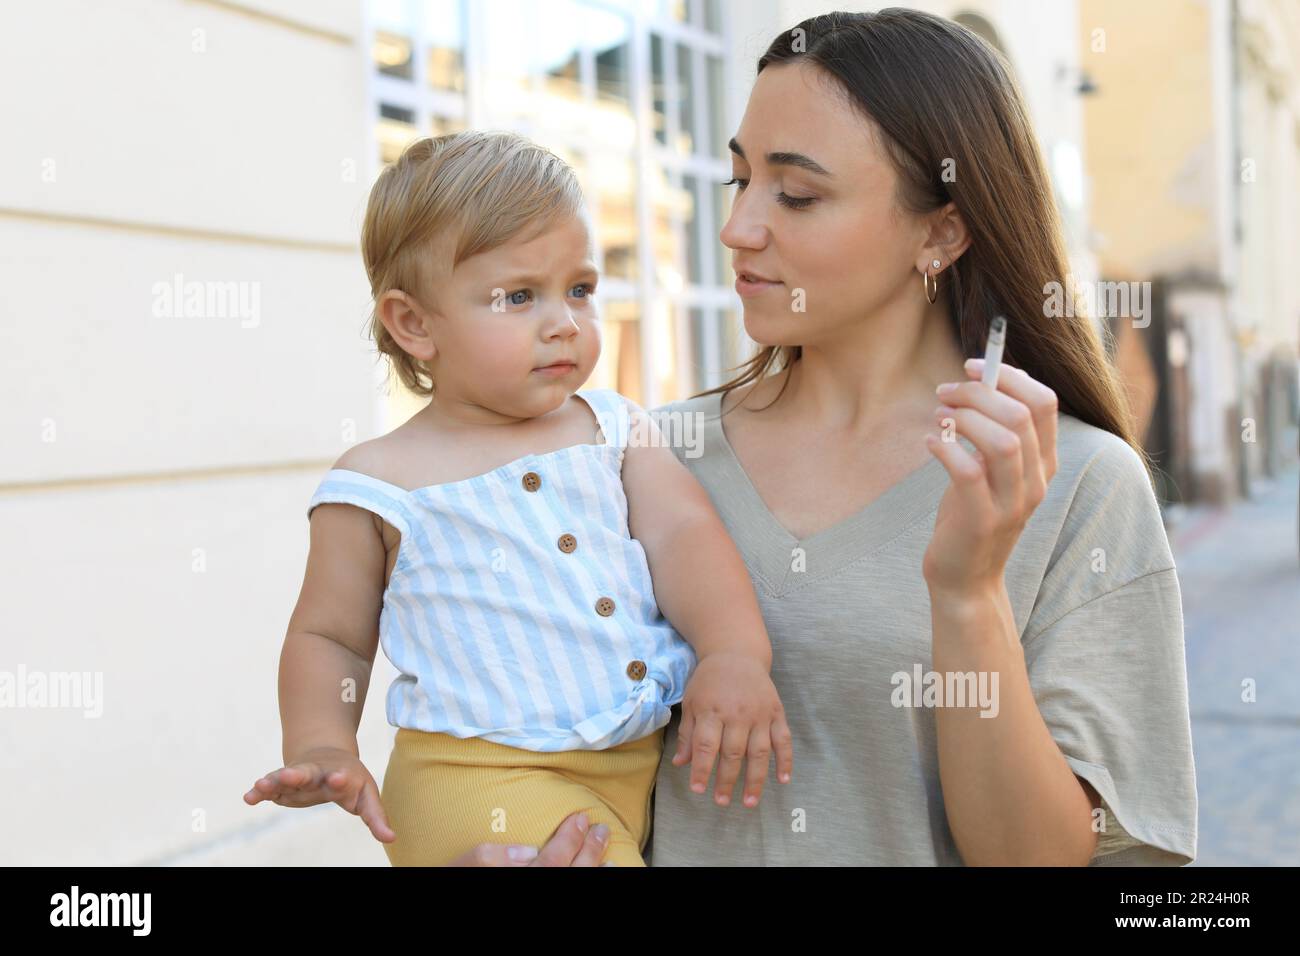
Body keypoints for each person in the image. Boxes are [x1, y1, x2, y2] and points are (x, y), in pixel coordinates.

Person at [461, 8, 1197, 867]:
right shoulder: (642, 457)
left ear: (941, 232)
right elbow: (538, 744)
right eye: (740, 181)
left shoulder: (1073, 483)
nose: (739, 228)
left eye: (798, 194)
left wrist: (968, 595)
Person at [242, 130, 793, 866]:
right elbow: (329, 636)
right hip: (475, 776)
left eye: (580, 290)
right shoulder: (379, 482)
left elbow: (686, 537)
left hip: (629, 768)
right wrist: (322, 741)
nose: (564, 320)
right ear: (414, 323)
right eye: (520, 296)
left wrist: (734, 653)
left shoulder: (616, 429)